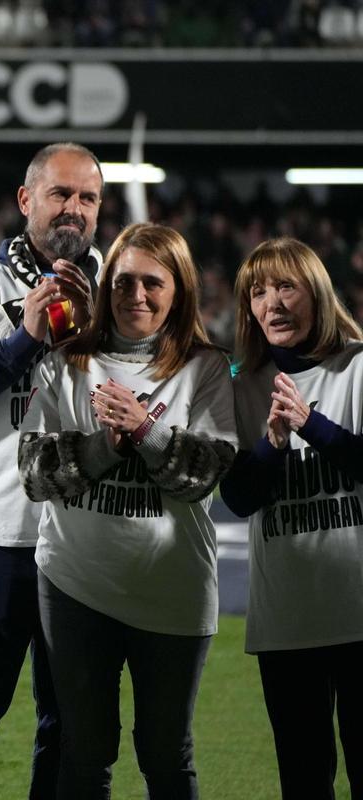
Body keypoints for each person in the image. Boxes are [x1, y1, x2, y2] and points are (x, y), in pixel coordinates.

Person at [18, 223, 235, 798]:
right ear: (105, 284)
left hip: (174, 592)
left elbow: (204, 474)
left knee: (166, 754)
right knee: (83, 754)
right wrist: (106, 445)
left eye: (152, 283)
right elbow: (35, 474)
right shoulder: (67, 361)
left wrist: (142, 429)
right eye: (123, 281)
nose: (136, 295)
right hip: (74, 586)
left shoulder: (207, 367)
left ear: (180, 289)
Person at [0, 141, 103, 798]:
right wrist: (25, 338)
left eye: (87, 197)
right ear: (25, 201)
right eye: (60, 194)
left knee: (67, 721)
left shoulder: (120, 290)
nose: (74, 209)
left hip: (85, 536)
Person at [219, 237, 363, 799]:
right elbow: (239, 498)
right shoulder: (241, 385)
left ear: (317, 293)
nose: (271, 303)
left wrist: (314, 427)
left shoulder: (357, 366)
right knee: (303, 782)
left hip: (358, 616)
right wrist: (274, 445)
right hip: (286, 623)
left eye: (286, 286)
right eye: (257, 291)